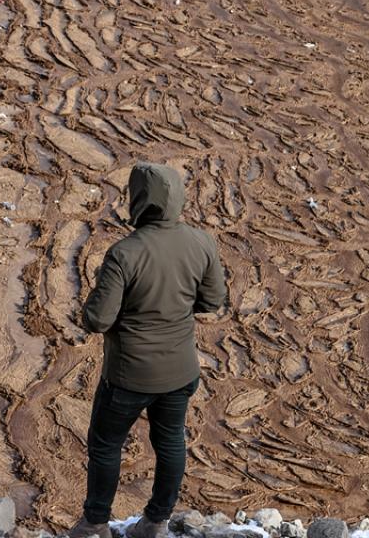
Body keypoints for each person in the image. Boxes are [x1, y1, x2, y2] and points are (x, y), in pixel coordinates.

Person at [69, 163, 229, 538]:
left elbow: (97, 319)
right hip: (181, 372)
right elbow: (212, 301)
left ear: (138, 198)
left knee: (107, 445)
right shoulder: (202, 242)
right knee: (170, 439)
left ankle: (95, 524)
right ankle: (156, 522)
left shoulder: (124, 253)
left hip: (129, 375)